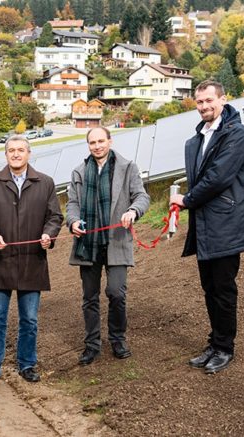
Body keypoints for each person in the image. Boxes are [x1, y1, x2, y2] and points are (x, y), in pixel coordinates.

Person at [170, 80, 244, 374]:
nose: (204, 107)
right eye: (199, 102)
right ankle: (214, 342)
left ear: (223, 100)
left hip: (228, 223)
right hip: (205, 225)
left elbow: (217, 178)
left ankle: (225, 347)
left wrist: (186, 199)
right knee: (209, 287)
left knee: (224, 288)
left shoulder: (237, 134)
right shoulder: (197, 139)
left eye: (209, 101)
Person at [0, 135, 63, 387]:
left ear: (29, 154)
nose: (16, 154)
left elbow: (55, 216)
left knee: (30, 320)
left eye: (20, 150)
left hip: (31, 261)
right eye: (11, 150)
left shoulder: (45, 183)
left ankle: (27, 364)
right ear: (6, 155)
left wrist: (49, 234)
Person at [66, 127, 150, 366]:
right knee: (89, 298)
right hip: (88, 244)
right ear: (88, 145)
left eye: (101, 141)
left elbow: (142, 197)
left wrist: (133, 211)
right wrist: (72, 222)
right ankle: (92, 344)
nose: (97, 146)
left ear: (109, 141)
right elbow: (72, 203)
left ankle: (117, 339)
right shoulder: (79, 171)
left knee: (116, 293)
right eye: (92, 142)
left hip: (117, 240)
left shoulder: (127, 168)